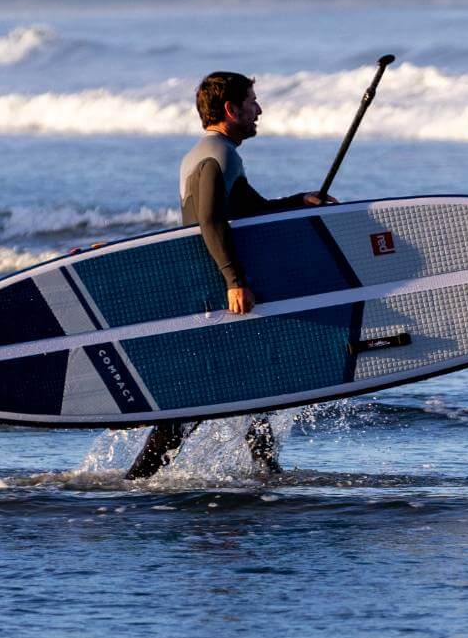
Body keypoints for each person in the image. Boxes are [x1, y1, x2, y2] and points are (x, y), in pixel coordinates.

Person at [126, 70, 335, 480]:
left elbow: (250, 211)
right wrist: (234, 280)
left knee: (248, 386)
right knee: (202, 398)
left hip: (209, 288)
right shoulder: (219, 155)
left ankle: (265, 470)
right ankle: (139, 481)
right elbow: (209, 219)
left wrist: (300, 200)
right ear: (230, 109)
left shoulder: (213, 152)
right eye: (252, 102)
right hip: (214, 290)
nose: (259, 110)